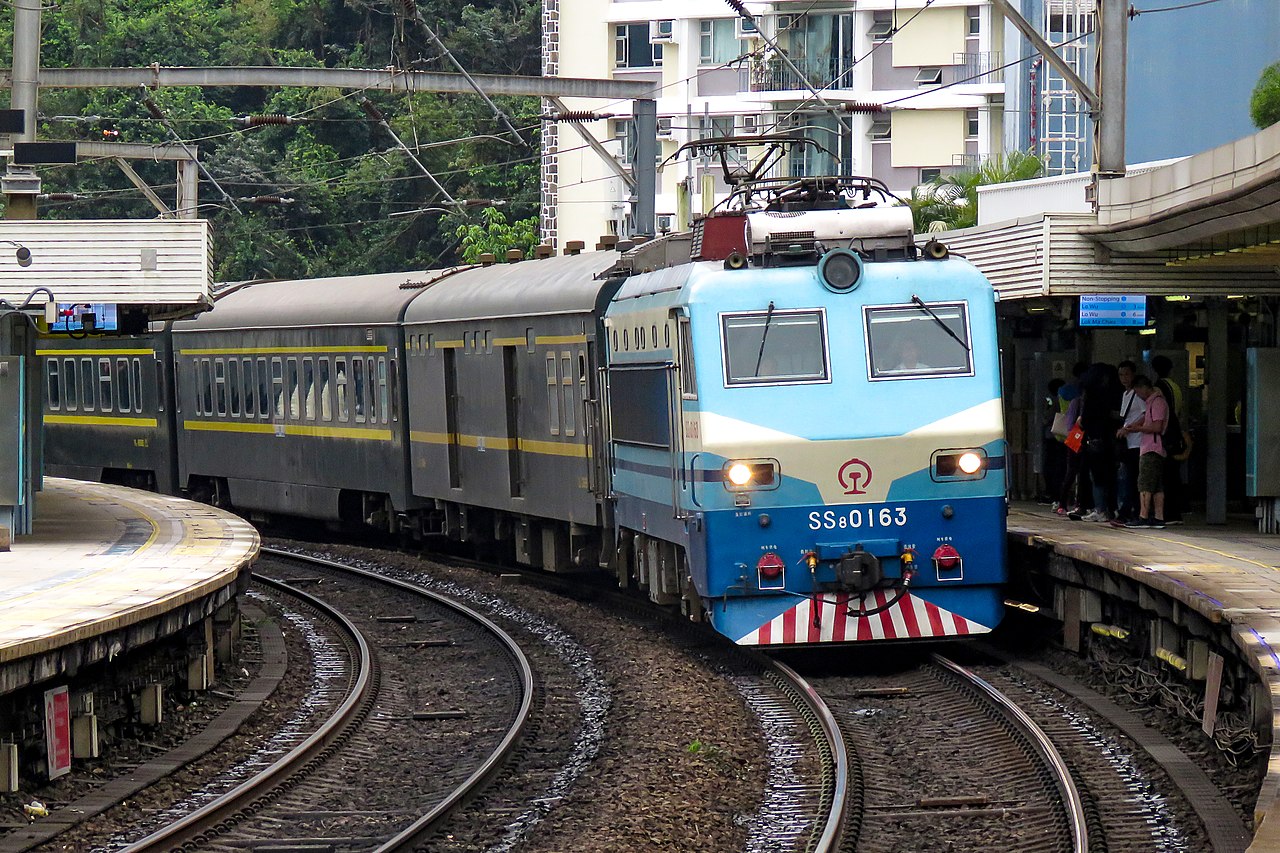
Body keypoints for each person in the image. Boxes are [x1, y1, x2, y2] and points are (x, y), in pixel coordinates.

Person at [1072, 362, 1120, 522]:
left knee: (1097, 477)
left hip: (1093, 440)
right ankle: (1114, 508)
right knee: (1112, 476)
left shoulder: (1091, 395)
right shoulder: (1115, 393)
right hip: (1112, 440)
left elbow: (1084, 421)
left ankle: (1099, 509)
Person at [1121, 375, 1167, 529]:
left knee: (1145, 484)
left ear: (1143, 387)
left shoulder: (1157, 402)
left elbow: (1156, 427)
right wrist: (1133, 427)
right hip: (1153, 446)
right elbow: (1147, 420)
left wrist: (1138, 429)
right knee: (1157, 485)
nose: (1139, 395)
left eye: (1138, 392)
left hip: (1151, 447)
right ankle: (1159, 518)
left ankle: (1143, 516)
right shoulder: (1152, 403)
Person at [1150, 354, 1185, 524]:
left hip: (1164, 435)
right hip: (1175, 433)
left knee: (1163, 476)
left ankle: (1168, 513)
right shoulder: (1175, 386)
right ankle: (1176, 511)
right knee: (1174, 475)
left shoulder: (1158, 388)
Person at [1111, 360, 1145, 526]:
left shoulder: (1137, 394)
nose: (1124, 378)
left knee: (1132, 478)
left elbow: (1146, 414)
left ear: (1133, 374)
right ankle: (1127, 511)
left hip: (1138, 441)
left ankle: (1130, 512)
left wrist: (1130, 428)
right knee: (1127, 477)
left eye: (1127, 374)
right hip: (1128, 442)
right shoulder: (1125, 395)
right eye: (1121, 375)